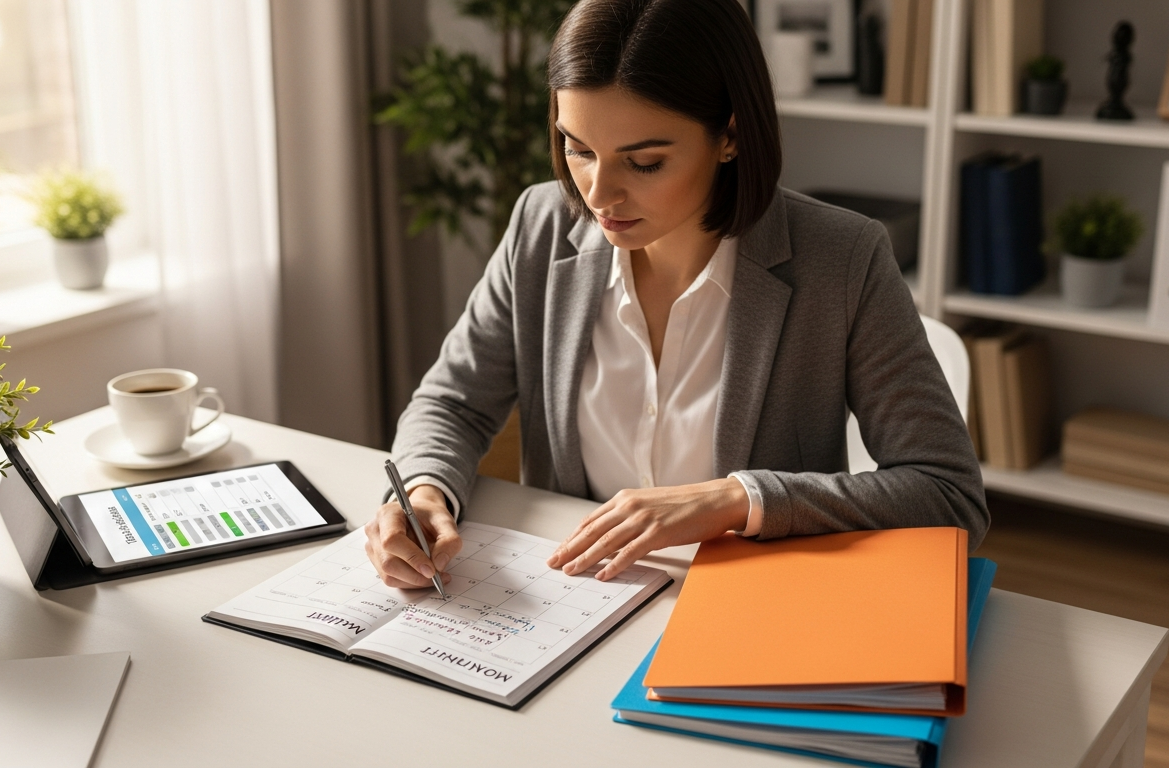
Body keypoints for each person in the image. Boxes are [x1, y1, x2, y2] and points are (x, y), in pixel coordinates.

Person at [364, 0, 987, 588]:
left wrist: (736, 499)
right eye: (578, 149)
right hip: (571, 601)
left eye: (645, 163)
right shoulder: (542, 225)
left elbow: (947, 493)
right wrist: (421, 492)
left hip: (751, 606)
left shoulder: (842, 259)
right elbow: (453, 402)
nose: (598, 196)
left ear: (731, 136)